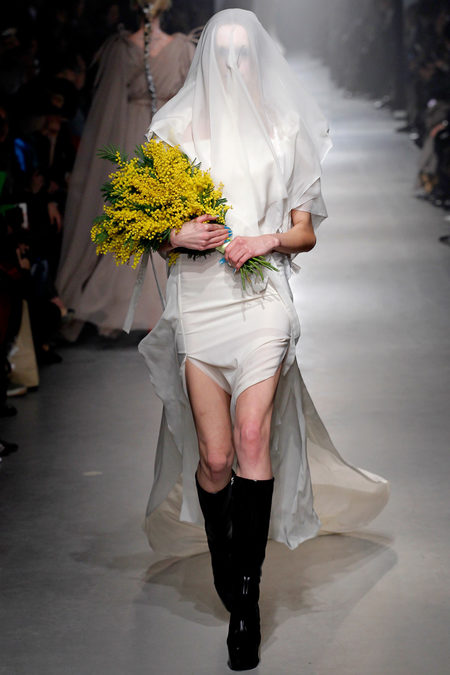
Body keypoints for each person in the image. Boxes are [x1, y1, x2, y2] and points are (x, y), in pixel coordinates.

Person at [139, 9, 390, 671]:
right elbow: (145, 226)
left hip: (263, 298)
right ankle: (225, 556)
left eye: (242, 52)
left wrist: (266, 239)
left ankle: (246, 601)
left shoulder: (285, 129)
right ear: (205, 59)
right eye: (220, 52)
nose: (231, 63)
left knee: (252, 437)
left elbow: (305, 231)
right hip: (199, 302)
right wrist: (175, 234)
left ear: (259, 57)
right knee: (215, 457)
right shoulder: (172, 131)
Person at [56, 0, 196, 339]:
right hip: (148, 136)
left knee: (157, 209)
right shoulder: (152, 49)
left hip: (149, 134)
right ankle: (142, 305)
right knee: (141, 209)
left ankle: (148, 304)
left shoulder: (166, 49)